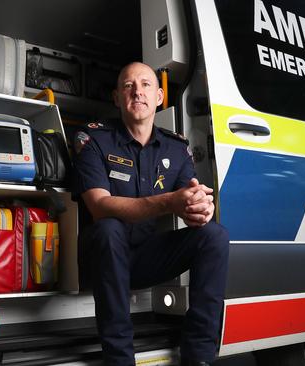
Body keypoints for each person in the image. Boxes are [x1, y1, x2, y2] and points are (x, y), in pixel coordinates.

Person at [72, 61, 230, 365]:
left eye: (145, 84)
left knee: (214, 236)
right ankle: (119, 359)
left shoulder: (176, 148)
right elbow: (99, 205)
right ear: (117, 98)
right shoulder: (93, 139)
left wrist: (201, 208)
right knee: (108, 228)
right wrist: (169, 201)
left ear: (159, 96)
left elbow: (189, 201)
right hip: (101, 259)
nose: (137, 92)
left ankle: (200, 357)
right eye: (128, 86)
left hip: (144, 259)